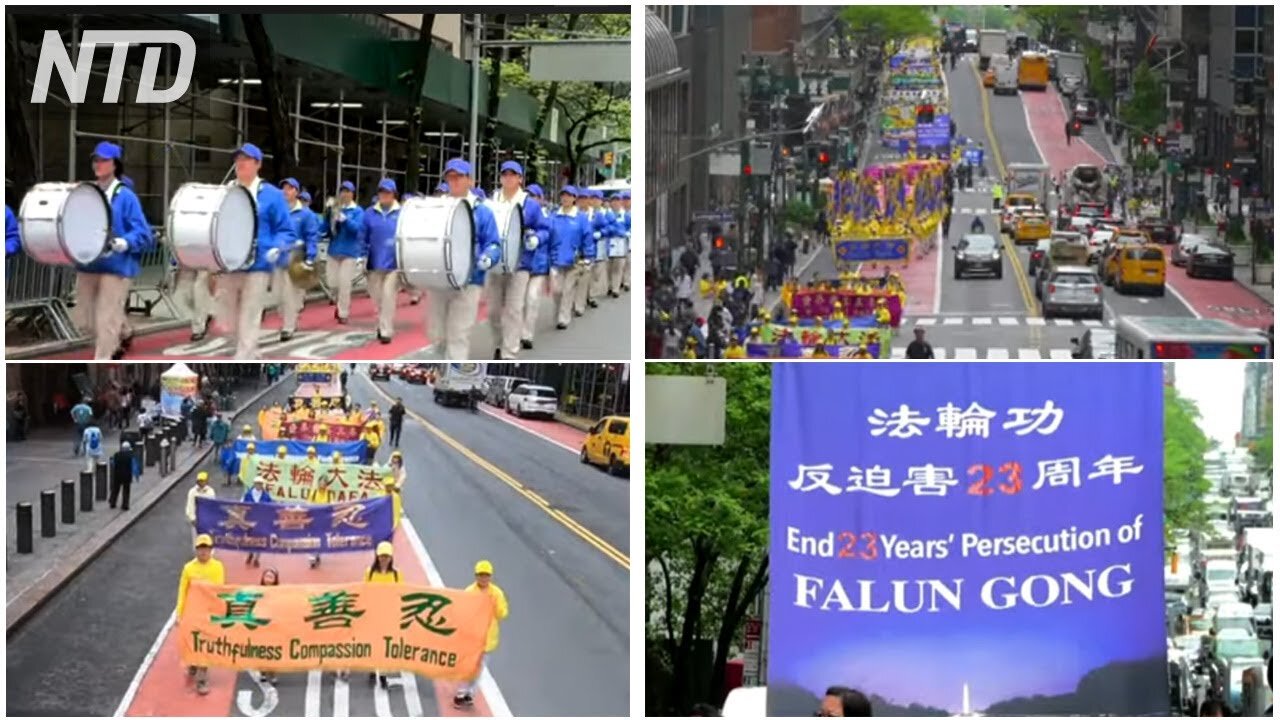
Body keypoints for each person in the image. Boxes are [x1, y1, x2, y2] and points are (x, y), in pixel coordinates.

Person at [214, 144, 296, 359]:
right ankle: (249, 349)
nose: (240, 163)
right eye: (237, 159)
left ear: (258, 164)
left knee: (250, 313)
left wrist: (276, 247)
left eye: (246, 159)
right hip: (229, 263)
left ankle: (245, 353)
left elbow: (286, 230)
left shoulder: (272, 195)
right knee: (227, 317)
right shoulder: (226, 191)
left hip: (258, 263)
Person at [75, 142, 156, 359]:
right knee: (85, 319)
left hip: (116, 266)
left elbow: (143, 232)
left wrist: (124, 242)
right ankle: (124, 331)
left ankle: (104, 356)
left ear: (115, 164)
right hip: (89, 263)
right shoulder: (86, 192)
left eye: (103, 160)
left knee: (105, 320)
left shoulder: (125, 196)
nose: (98, 164)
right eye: (95, 160)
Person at [487, 161, 545, 359]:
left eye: (513, 174)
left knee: (513, 309)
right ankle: (499, 343)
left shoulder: (531, 204)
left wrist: (537, 238)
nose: (509, 178)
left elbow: (543, 228)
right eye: (505, 174)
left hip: (520, 264)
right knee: (493, 311)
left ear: (520, 178)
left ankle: (509, 351)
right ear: (501, 177)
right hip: (495, 263)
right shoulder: (492, 202)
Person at [454, 560, 509, 708]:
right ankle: (460, 693)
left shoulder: (496, 593)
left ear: (490, 576)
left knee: (478, 670)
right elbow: (461, 613)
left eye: (486, 575)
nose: (483, 578)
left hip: (487, 640)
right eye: (480, 575)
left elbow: (503, 613)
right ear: (476, 576)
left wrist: (495, 604)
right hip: (472, 638)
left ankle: (469, 694)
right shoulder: (469, 592)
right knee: (467, 667)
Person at [175, 534, 225, 696]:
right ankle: (193, 662)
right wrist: (180, 613)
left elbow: (219, 590)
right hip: (192, 611)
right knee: (192, 640)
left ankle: (202, 678)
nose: (203, 552)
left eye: (206, 548)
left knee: (205, 644)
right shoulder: (188, 568)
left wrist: (219, 612)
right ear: (196, 550)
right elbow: (183, 590)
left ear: (211, 550)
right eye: (200, 548)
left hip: (208, 613)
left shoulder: (218, 567)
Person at [279, 178, 320, 342]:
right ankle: (290, 317)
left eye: (289, 189)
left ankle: (288, 326)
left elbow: (311, 237)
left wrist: (310, 257)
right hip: (277, 257)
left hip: (295, 257)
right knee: (281, 295)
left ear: (296, 191)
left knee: (289, 293)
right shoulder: (278, 212)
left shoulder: (306, 215)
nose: (285, 192)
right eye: (283, 189)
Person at [364, 178, 403, 345]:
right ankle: (382, 323)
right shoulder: (369, 213)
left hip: (394, 264)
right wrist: (361, 256)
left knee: (388, 296)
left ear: (394, 194)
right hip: (374, 263)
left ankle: (386, 330)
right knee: (378, 298)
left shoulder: (402, 213)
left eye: (387, 192)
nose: (384, 195)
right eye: (381, 192)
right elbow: (363, 236)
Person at [549, 186, 592, 330]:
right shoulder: (554, 216)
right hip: (556, 260)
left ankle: (563, 318)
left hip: (574, 260)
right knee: (557, 291)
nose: (565, 198)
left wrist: (588, 257)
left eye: (569, 196)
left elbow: (587, 238)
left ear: (574, 198)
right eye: (563, 195)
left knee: (568, 289)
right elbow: (548, 237)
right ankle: (559, 313)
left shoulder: (581, 218)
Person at [325, 180, 366, 324]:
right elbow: (325, 229)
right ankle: (338, 304)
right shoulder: (336, 208)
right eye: (342, 191)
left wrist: (345, 219)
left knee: (344, 284)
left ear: (352, 194)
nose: (344, 194)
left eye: (347, 191)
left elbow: (357, 230)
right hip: (333, 250)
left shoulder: (358, 211)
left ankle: (343, 312)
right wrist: (328, 213)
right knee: (332, 284)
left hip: (349, 252)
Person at [364, 541, 402, 688]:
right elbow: (365, 591)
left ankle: (384, 674)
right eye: (381, 556)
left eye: (386, 556)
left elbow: (401, 594)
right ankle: (373, 669)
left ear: (391, 557)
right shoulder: (370, 572)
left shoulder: (397, 574)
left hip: (389, 615)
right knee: (374, 643)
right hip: (374, 614)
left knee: (386, 645)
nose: (384, 559)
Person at [241, 475, 273, 566]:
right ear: (254, 484)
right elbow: (242, 505)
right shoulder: (248, 494)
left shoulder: (266, 496)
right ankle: (250, 553)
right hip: (250, 520)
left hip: (261, 520)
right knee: (250, 538)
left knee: (260, 539)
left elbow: (271, 506)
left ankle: (257, 558)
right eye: (257, 484)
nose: (259, 486)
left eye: (260, 484)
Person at [258, 567, 281, 685]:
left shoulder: (280, 594)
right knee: (261, 649)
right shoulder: (256, 592)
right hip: (261, 625)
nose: (268, 579)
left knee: (273, 650)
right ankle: (262, 672)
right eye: (266, 576)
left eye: (271, 577)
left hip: (274, 626)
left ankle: (272, 673)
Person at [307, 475, 335, 568]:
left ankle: (317, 554)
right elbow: (308, 505)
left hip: (324, 520)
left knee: (322, 538)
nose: (322, 484)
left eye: (324, 482)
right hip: (314, 519)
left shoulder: (330, 494)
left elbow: (332, 506)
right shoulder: (313, 493)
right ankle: (313, 558)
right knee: (313, 538)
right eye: (321, 481)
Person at [186, 471, 216, 543]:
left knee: (207, 539)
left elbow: (212, 506)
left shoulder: (210, 492)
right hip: (196, 520)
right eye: (199, 481)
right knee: (196, 539)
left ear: (206, 481)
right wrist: (192, 518)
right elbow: (190, 505)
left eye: (202, 481)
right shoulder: (192, 492)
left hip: (207, 520)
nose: (200, 482)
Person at [108, 441, 135, 510]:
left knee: (115, 489)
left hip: (117, 474)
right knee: (126, 490)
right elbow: (132, 465)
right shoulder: (130, 456)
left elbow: (113, 464)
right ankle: (125, 504)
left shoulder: (116, 454)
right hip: (126, 475)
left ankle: (112, 502)